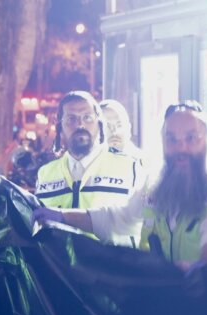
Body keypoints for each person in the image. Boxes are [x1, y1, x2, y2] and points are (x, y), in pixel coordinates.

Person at [35, 101, 207, 270]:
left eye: (191, 138)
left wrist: (197, 269)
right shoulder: (156, 181)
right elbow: (119, 219)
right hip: (174, 297)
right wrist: (61, 216)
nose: (180, 148)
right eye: (171, 139)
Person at [34, 91, 141, 245]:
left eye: (87, 117)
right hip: (58, 268)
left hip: (113, 267)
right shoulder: (45, 173)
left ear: (99, 123)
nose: (80, 125)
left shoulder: (131, 167)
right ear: (59, 125)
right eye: (71, 119)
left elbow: (142, 224)